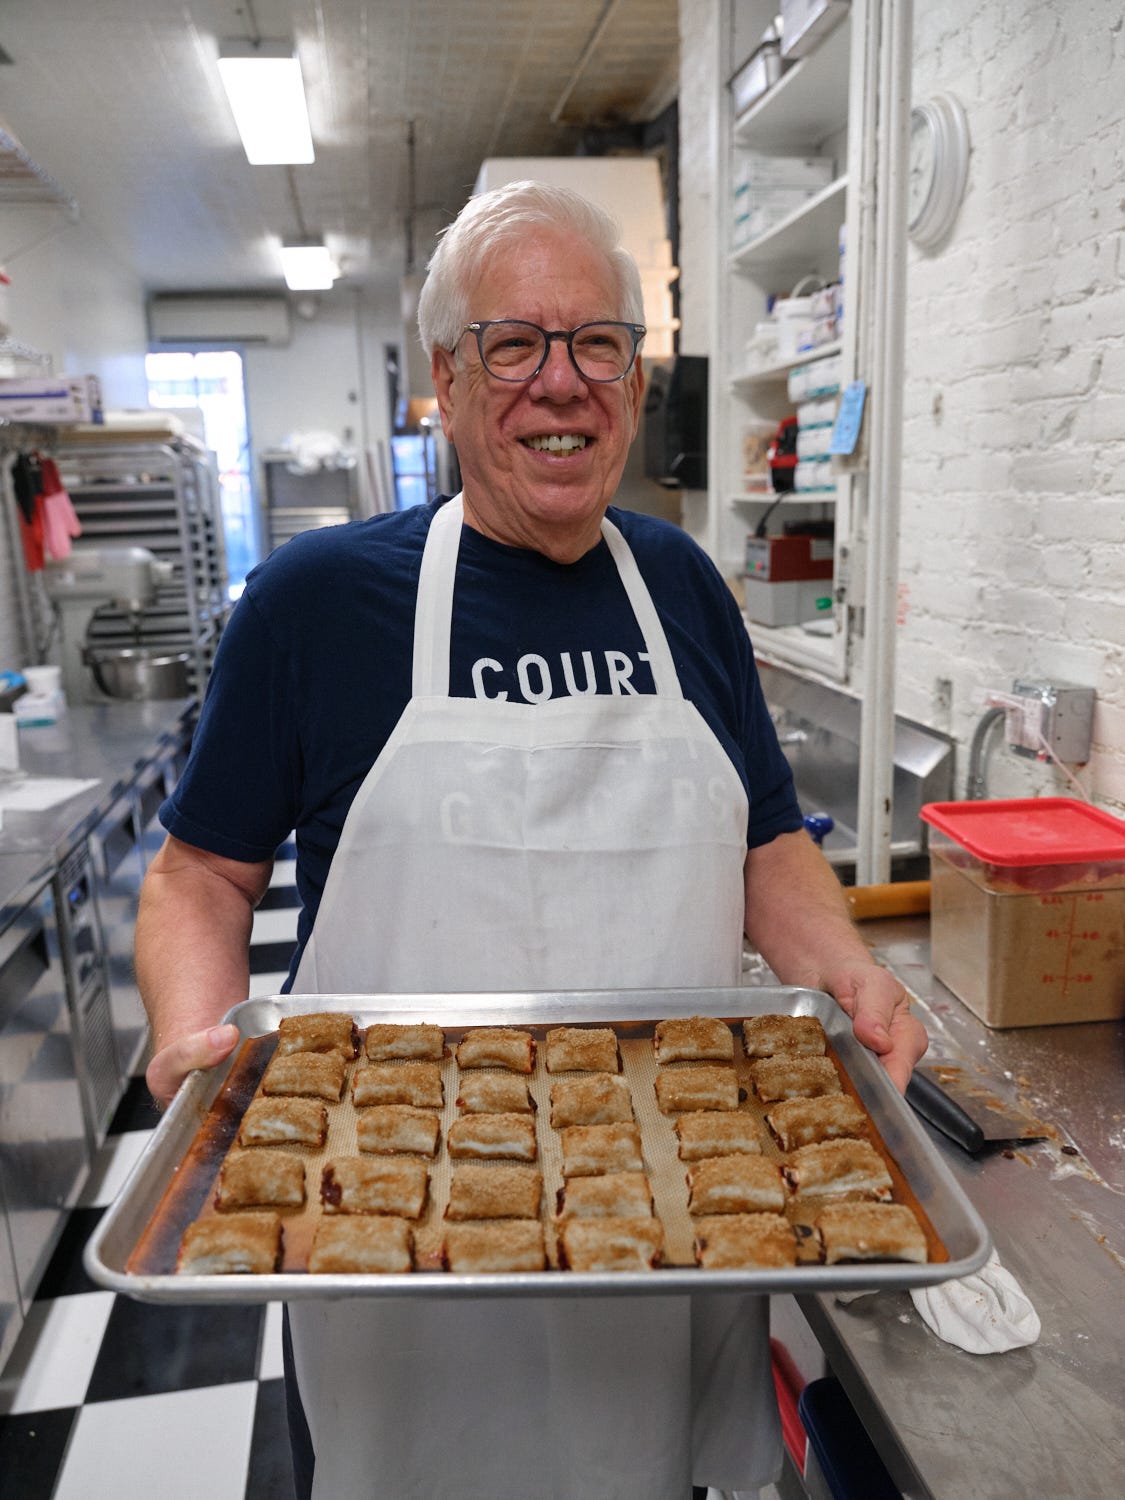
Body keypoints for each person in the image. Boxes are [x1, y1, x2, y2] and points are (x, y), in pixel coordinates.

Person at [136, 179, 926, 1500]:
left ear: (632, 374)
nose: (560, 385)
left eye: (597, 344)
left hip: (675, 1222)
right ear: (446, 380)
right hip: (408, 1246)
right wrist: (192, 1038)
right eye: (514, 345)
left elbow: (765, 843)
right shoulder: (317, 603)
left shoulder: (681, 584)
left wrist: (843, 976)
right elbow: (200, 875)